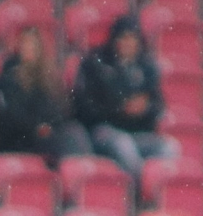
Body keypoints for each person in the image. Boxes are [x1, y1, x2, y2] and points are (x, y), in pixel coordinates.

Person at [71, 14, 176, 178]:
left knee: (169, 147)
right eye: (123, 38)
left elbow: (158, 105)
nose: (128, 43)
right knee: (124, 146)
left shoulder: (145, 67)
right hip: (104, 131)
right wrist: (120, 109)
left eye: (132, 38)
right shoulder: (95, 63)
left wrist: (144, 108)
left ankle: (156, 190)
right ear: (114, 39)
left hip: (137, 132)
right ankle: (135, 191)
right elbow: (84, 107)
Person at [0, 24, 90, 165]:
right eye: (25, 44)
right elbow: (12, 114)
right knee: (71, 138)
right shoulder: (8, 77)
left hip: (50, 132)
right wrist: (37, 127)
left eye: (32, 44)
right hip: (22, 138)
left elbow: (60, 108)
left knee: (75, 131)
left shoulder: (48, 78)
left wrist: (50, 125)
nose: (28, 48)